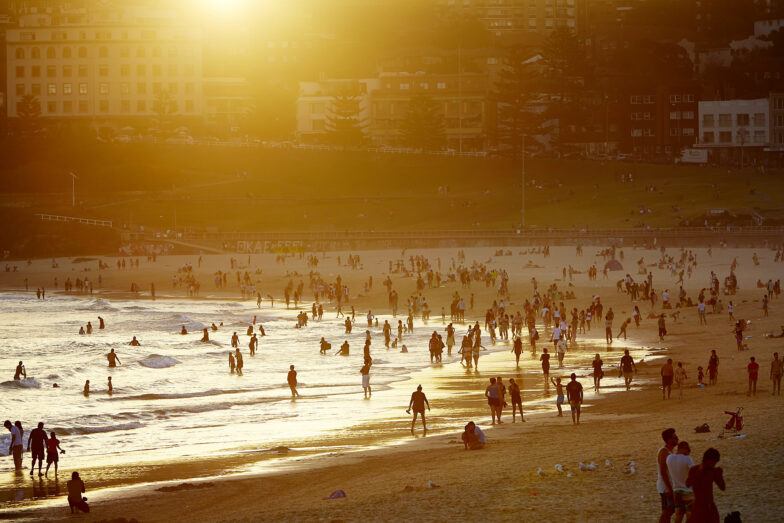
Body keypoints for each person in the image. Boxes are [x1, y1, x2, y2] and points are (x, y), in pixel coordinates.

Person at [686, 448, 725, 523]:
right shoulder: (694, 469)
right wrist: (698, 475)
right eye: (714, 461)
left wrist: (720, 476)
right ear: (707, 460)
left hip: (710, 506)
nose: (714, 464)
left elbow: (722, 487)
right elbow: (687, 484)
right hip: (698, 507)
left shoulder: (713, 471)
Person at [666, 441, 695, 523]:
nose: (688, 453)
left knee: (679, 515)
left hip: (676, 491)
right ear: (684, 448)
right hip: (688, 491)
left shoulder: (669, 458)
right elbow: (694, 471)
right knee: (690, 515)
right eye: (688, 451)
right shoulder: (687, 459)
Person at [657, 428, 679, 523]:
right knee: (667, 511)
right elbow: (663, 472)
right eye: (674, 437)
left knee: (670, 511)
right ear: (669, 440)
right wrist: (670, 488)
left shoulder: (672, 451)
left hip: (672, 486)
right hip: (666, 488)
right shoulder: (664, 452)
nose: (677, 439)